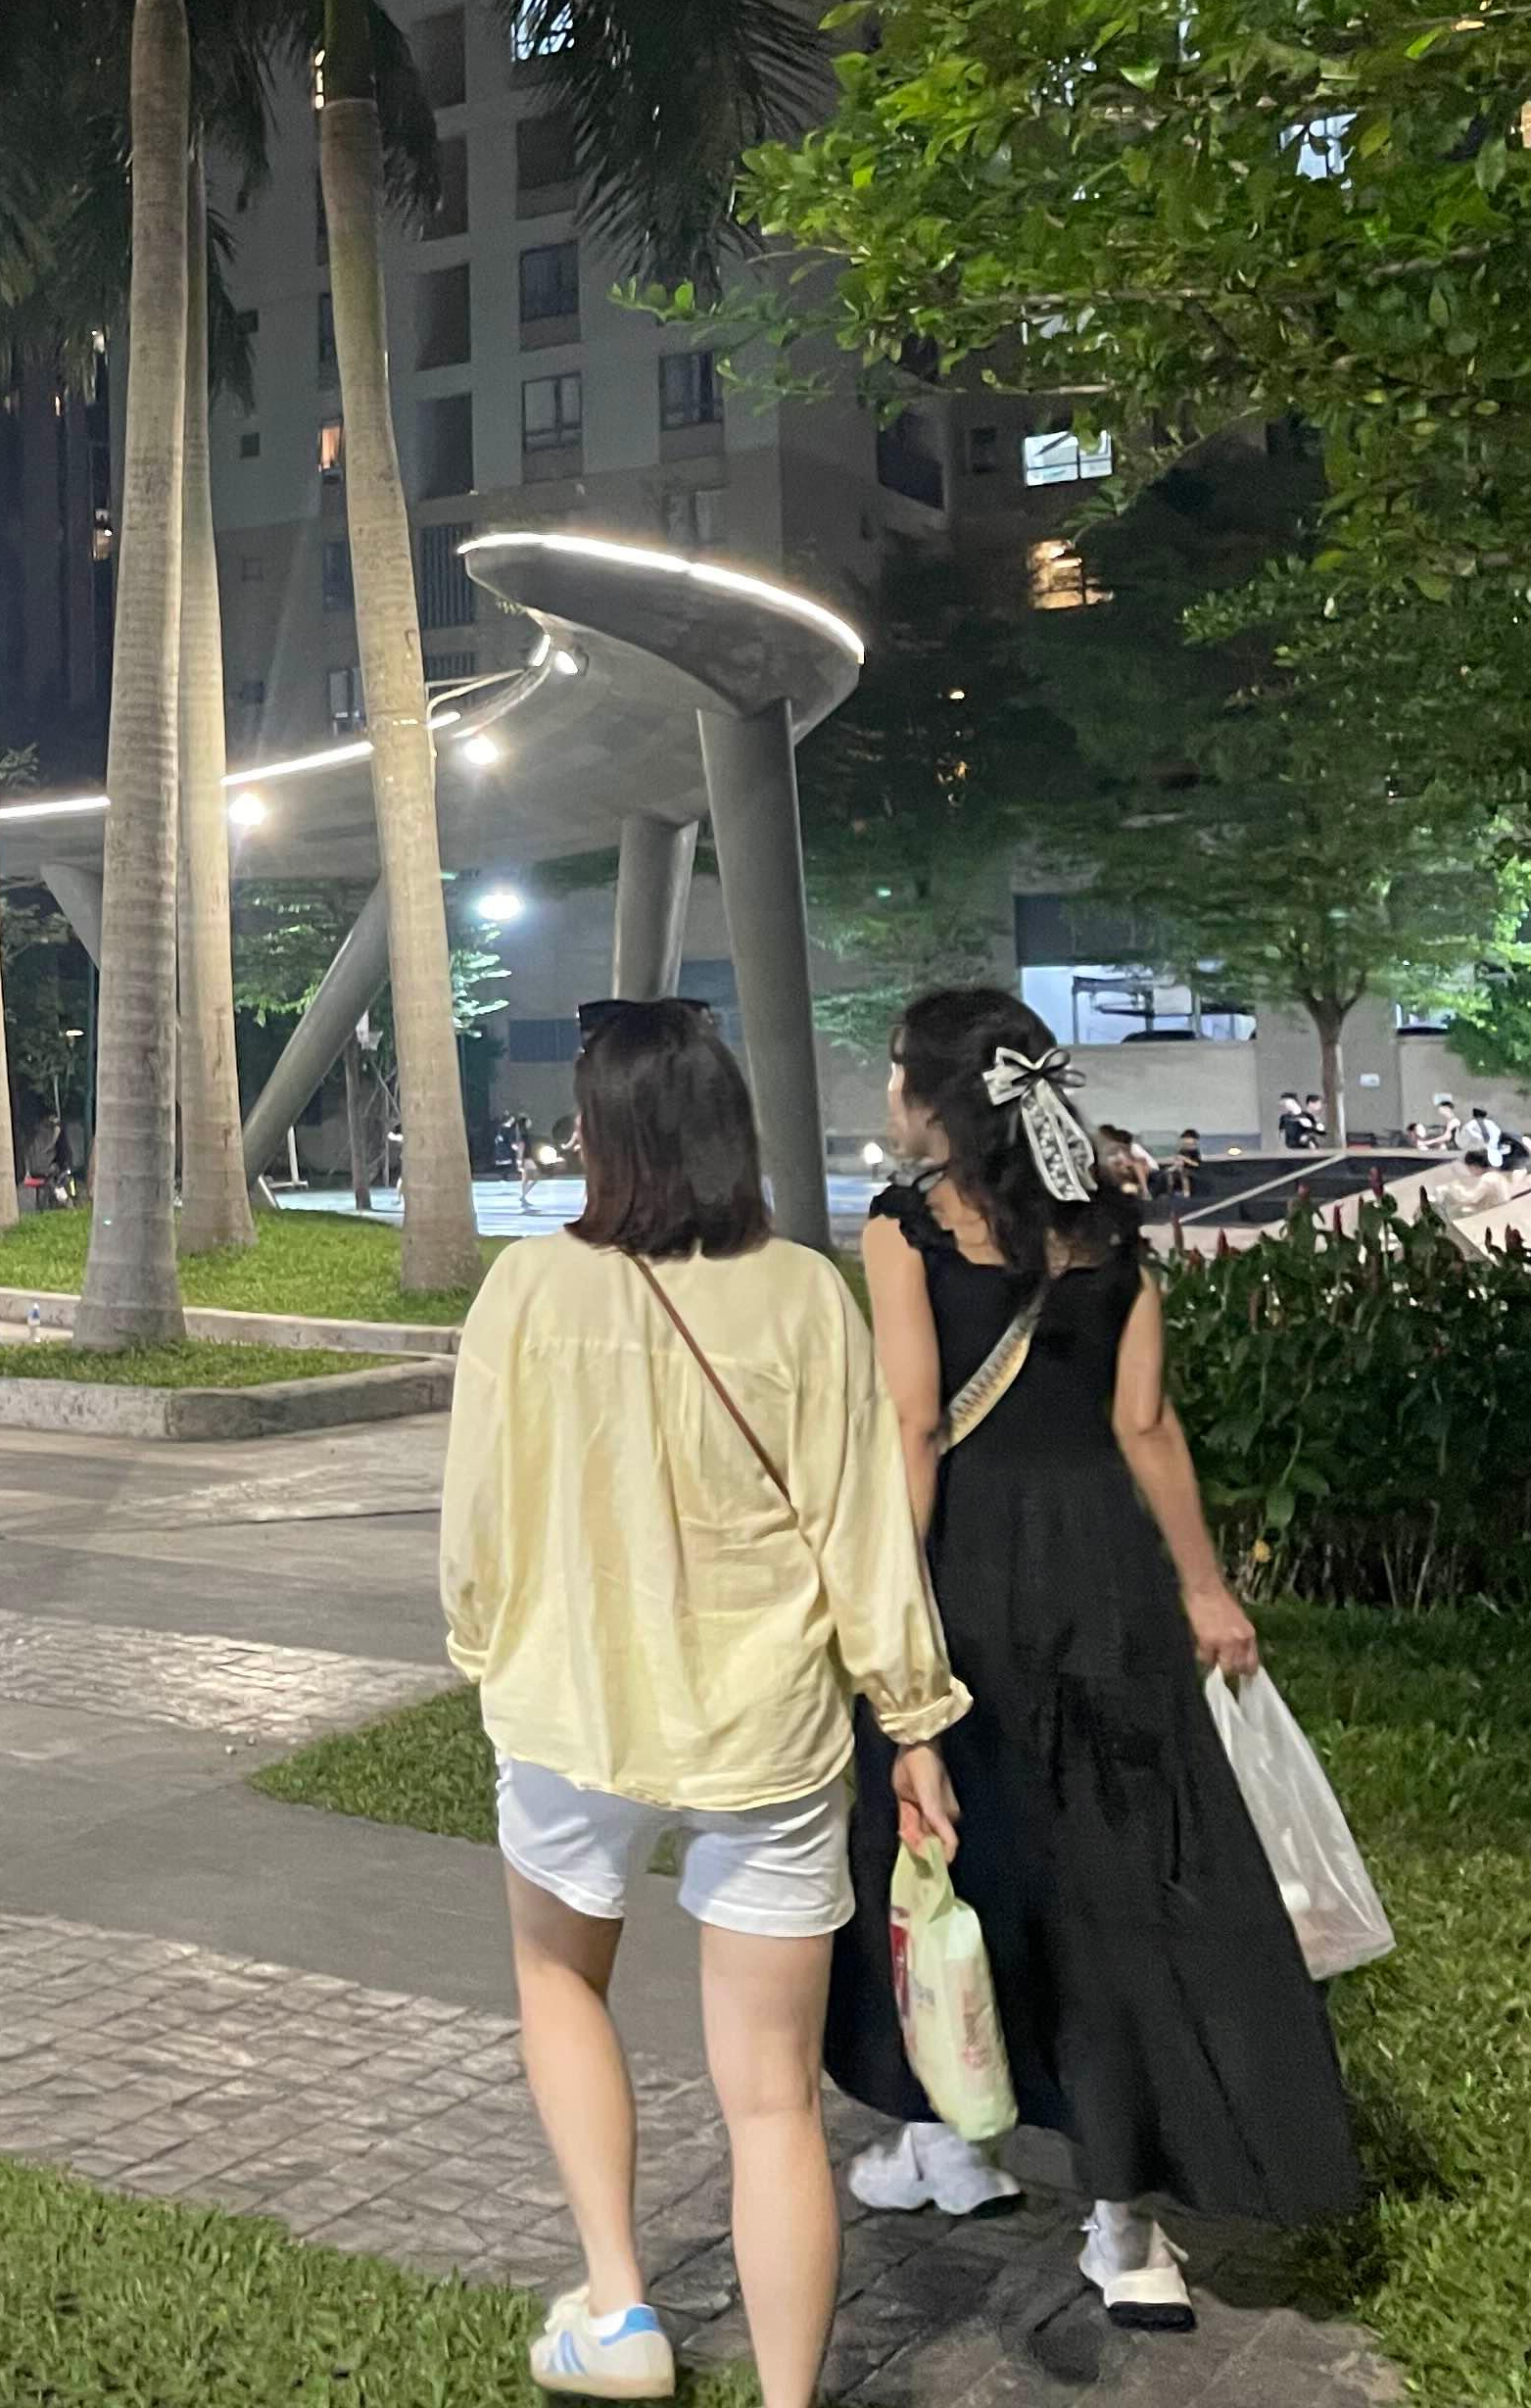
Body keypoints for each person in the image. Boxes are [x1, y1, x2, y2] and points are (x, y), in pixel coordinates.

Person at [439, 998, 966, 2408]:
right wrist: (913, 1717)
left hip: (573, 1710)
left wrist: (482, 1641)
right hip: (767, 1730)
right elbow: (864, 1529)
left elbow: (476, 1512)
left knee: (560, 1979)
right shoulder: (803, 1294)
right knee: (774, 2098)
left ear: (601, 1135)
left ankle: (618, 2307)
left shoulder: (528, 1289)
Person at [832, 988, 1362, 2329]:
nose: (890, 1094)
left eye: (898, 1073)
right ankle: (1125, 2229)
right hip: (1108, 1590)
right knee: (1115, 1887)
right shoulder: (1111, 1228)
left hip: (973, 1584)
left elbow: (914, 1427)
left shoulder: (905, 1228)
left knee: (949, 1863)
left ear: (940, 1099)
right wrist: (1206, 1588)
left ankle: (956, 2137)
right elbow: (1147, 1426)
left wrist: (893, 1610)